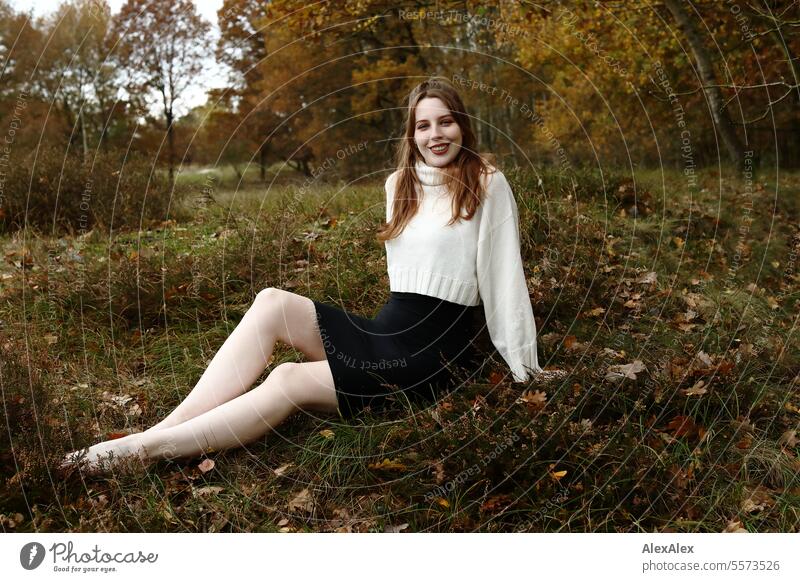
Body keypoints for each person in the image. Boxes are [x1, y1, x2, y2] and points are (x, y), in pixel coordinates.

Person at [60, 76, 563, 476]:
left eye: (446, 122)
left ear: (463, 126)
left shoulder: (486, 184)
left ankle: (145, 452)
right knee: (272, 301)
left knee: (288, 378)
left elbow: (504, 284)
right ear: (411, 134)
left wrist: (524, 368)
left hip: (432, 356)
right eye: (424, 125)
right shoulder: (398, 184)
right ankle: (163, 427)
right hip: (387, 331)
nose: (436, 135)